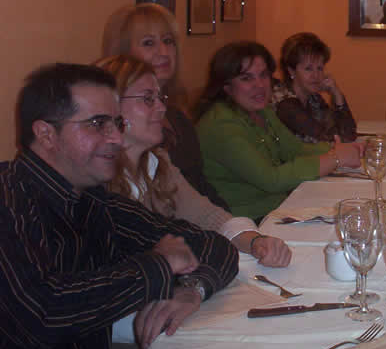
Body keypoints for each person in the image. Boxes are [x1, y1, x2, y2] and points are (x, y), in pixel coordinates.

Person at [0, 63, 238, 349]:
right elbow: (41, 316)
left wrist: (192, 290)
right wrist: (158, 265)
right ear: (46, 134)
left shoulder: (94, 201)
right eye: (98, 123)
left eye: (116, 123)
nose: (116, 138)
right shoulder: (9, 200)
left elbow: (212, 244)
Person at [97, 54, 292, 268]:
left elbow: (206, 215)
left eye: (160, 98)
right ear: (111, 106)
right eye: (148, 99)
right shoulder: (97, 183)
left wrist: (255, 241)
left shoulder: (158, 162)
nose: (162, 108)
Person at [195, 41, 363, 220]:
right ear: (226, 86)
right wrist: (335, 157)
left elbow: (295, 150)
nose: (259, 85)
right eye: (247, 78)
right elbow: (272, 179)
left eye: (263, 75)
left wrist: (339, 149)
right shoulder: (221, 125)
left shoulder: (261, 111)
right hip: (247, 222)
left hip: (279, 207)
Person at [102, 3, 230, 210]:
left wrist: (233, 223)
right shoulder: (107, 145)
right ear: (123, 53)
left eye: (168, 41)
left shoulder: (178, 117)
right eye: (148, 43)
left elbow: (201, 187)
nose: (163, 52)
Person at [273, 32, 357, 143]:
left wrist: (337, 95)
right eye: (308, 69)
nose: (316, 75)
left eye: (320, 68)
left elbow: (348, 135)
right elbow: (328, 139)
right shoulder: (285, 103)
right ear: (291, 71)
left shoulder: (314, 99)